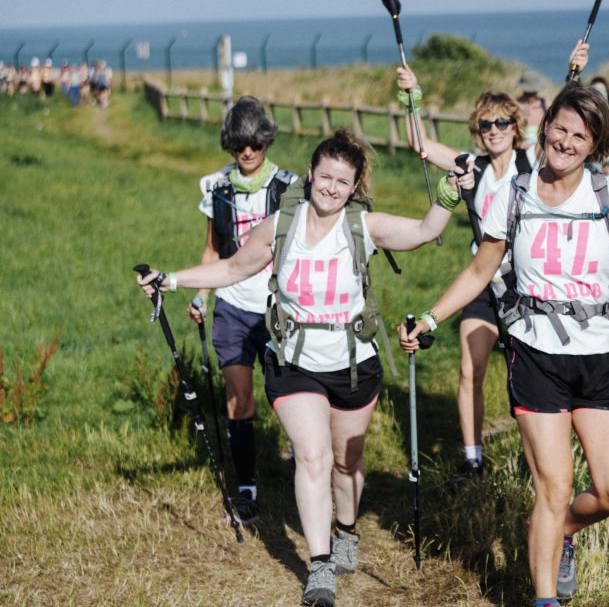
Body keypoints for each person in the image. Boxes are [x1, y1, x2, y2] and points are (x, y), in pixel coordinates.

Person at [399, 84, 609, 606]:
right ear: (544, 127)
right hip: (535, 354)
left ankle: (566, 532)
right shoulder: (513, 193)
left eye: (581, 135)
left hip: (599, 356)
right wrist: (431, 317)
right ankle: (545, 597)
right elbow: (482, 268)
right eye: (560, 128)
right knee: (551, 488)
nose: (566, 142)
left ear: (595, 145)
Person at [139, 128, 471, 607]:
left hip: (353, 364)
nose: (332, 187)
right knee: (311, 456)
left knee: (346, 461)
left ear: (355, 186)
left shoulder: (364, 226)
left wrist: (446, 193)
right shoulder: (280, 225)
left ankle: (347, 527)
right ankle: (319, 568)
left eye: (343, 181)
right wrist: (171, 279)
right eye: (326, 176)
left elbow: (424, 232)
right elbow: (233, 268)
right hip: (293, 360)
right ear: (311, 174)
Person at [395, 41, 589, 481]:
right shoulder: (471, 165)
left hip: (525, 283)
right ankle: (472, 457)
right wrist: (412, 97)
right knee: (469, 367)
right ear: (477, 131)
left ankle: (535, 455)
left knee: (525, 378)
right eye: (485, 124)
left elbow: (563, 129)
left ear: (515, 126)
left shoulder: (533, 161)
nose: (494, 129)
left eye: (502, 121)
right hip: (483, 282)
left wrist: (573, 74)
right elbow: (419, 144)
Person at [188, 96, 298, 526]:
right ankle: (247, 487)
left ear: (266, 140)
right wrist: (199, 295)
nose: (247, 153)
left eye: (254, 143)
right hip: (231, 307)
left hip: (277, 309)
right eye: (238, 146)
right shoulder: (217, 188)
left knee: (287, 398)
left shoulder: (288, 188)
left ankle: (305, 461)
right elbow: (212, 249)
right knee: (239, 398)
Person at [516, 69, 548, 150]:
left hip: (540, 151)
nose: (530, 97)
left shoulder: (545, 104)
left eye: (532, 93)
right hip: (519, 150)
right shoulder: (514, 105)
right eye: (528, 93)